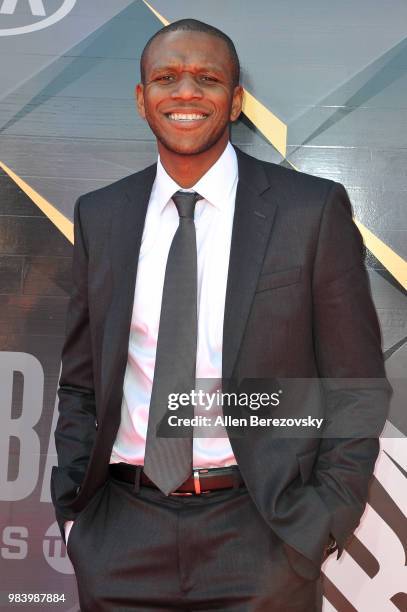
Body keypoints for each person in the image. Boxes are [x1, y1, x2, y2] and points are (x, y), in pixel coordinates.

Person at [51, 18, 391, 612]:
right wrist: (77, 518)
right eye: (166, 77)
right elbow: (81, 380)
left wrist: (320, 521)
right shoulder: (101, 215)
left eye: (207, 78)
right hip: (120, 534)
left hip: (261, 534)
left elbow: (355, 387)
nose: (186, 92)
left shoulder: (309, 211)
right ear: (141, 99)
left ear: (235, 101)